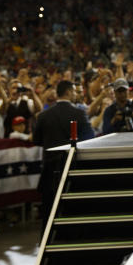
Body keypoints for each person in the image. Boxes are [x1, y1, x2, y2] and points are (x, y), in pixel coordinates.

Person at [32, 80, 93, 230]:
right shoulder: (79, 113)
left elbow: (36, 140)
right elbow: (89, 139)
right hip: (72, 169)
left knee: (49, 212)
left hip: (49, 172)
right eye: (74, 91)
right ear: (68, 92)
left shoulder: (43, 116)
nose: (75, 94)